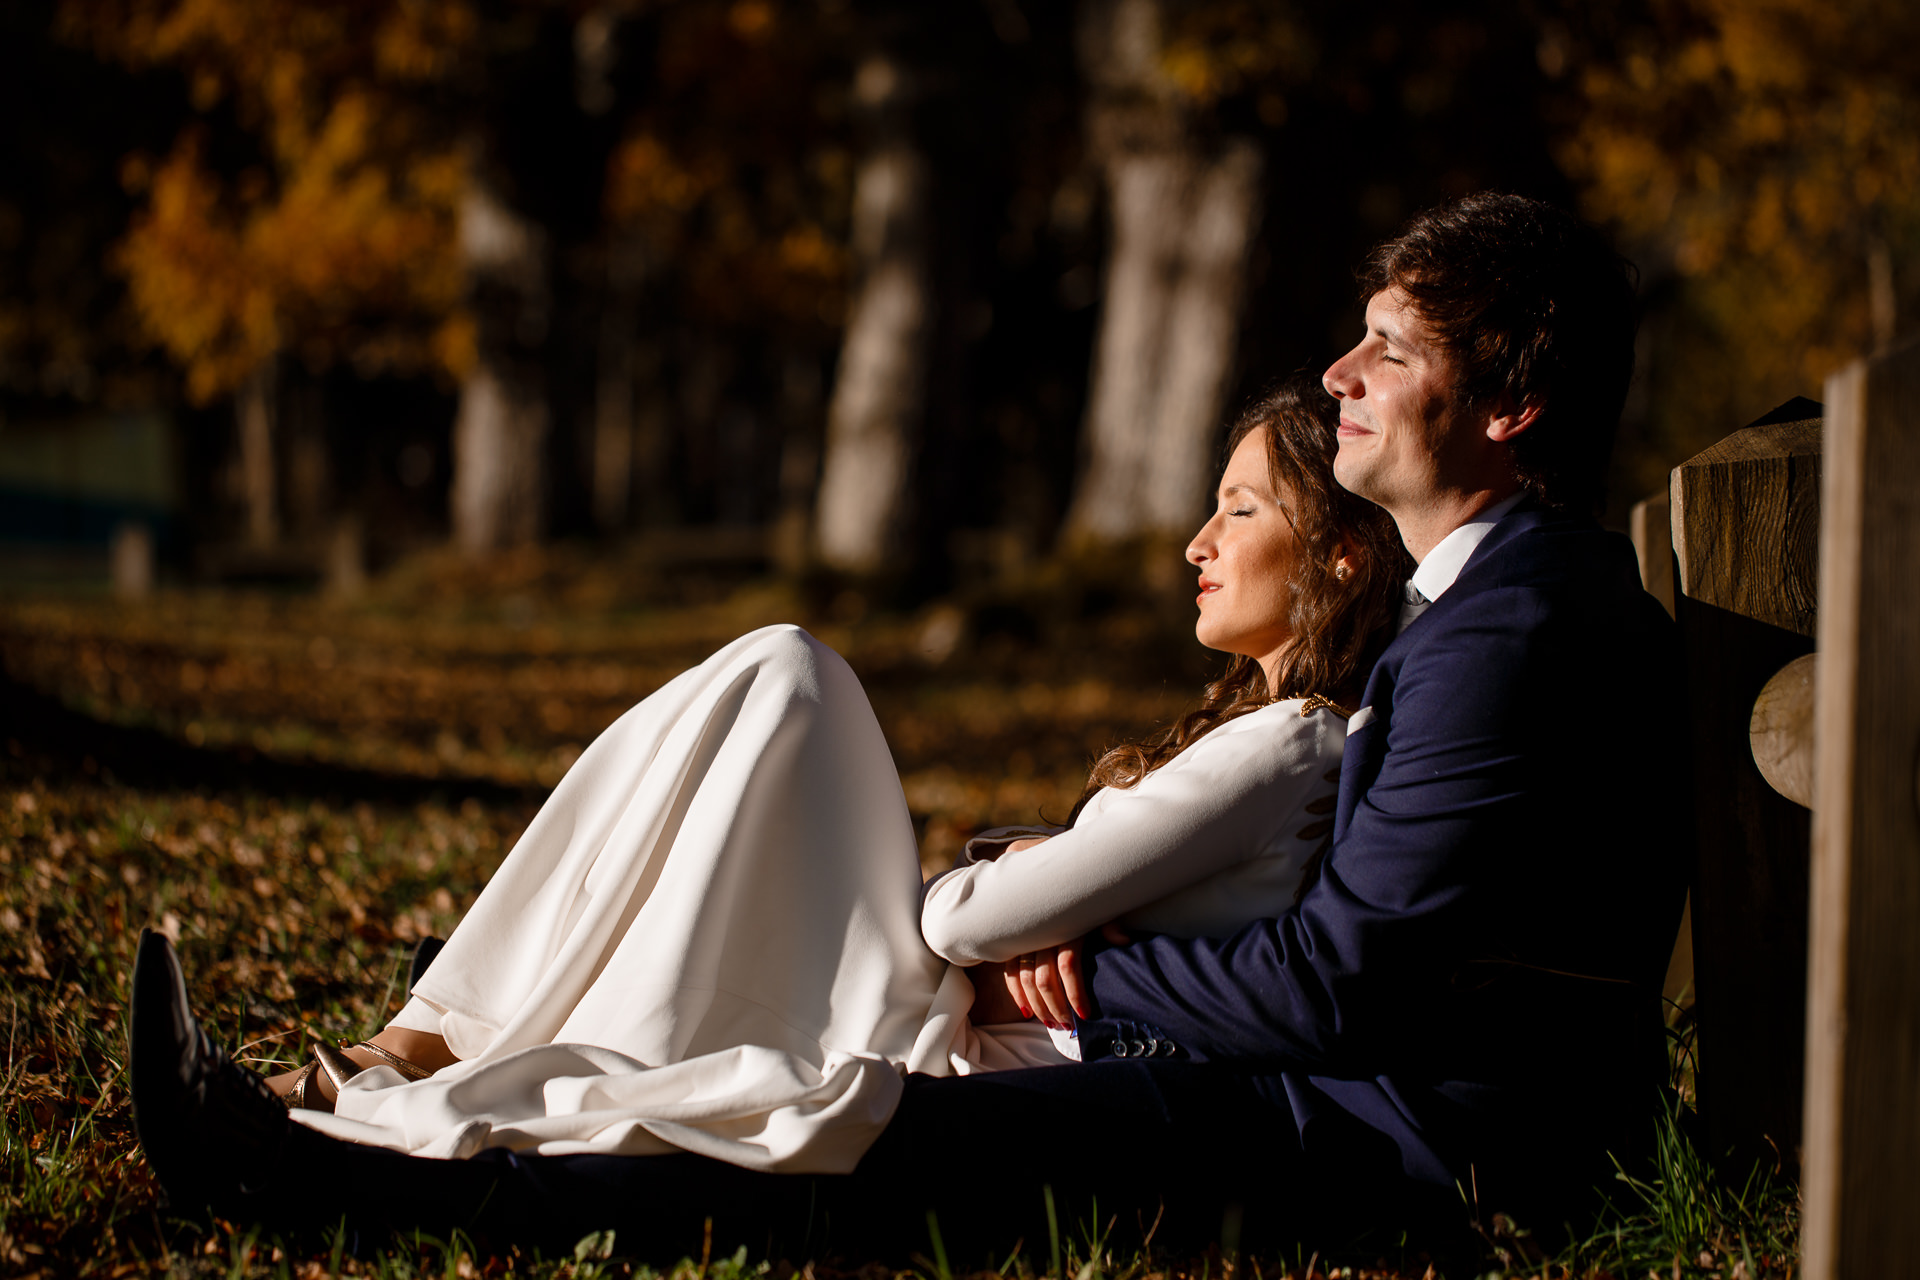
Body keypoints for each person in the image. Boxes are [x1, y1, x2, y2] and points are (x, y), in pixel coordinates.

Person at [132, 191, 1686, 1263]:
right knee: (833, 1104)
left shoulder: (1507, 625)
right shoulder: (1476, 604)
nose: (1341, 373)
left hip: (1386, 1141)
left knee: (860, 1137)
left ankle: (316, 1178)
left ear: (1511, 403)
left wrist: (1077, 963)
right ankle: (377, 1119)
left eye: (1393, 350)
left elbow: (1346, 981)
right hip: (1325, 1089)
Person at [132, 381, 1410, 1245]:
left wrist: (1049, 908)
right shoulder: (1275, 743)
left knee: (786, 675)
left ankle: (409, 1054)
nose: (1197, 537)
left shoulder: (1287, 740)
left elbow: (964, 917)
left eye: (1240, 508)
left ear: (1341, 558)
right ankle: (412, 1043)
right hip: (979, 1019)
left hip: (963, 1041)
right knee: (770, 691)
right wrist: (1062, 886)